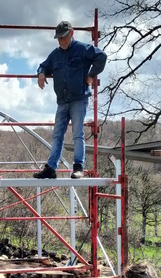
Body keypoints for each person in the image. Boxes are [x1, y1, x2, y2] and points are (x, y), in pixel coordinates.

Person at [34, 20, 107, 180]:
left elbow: (101, 56)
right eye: (59, 38)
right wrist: (41, 73)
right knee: (57, 135)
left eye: (64, 37)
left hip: (79, 99)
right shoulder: (55, 55)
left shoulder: (82, 49)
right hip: (62, 101)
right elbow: (43, 65)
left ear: (71, 33)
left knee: (77, 134)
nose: (62, 41)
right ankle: (51, 168)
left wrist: (91, 75)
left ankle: (78, 167)